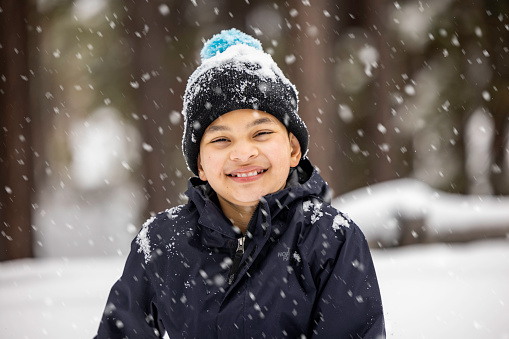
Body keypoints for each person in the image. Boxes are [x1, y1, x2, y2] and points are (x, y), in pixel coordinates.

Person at [95, 28, 385, 339]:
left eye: (261, 133)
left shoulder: (330, 238)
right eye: (221, 139)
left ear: (293, 149)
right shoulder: (163, 243)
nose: (243, 153)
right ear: (201, 165)